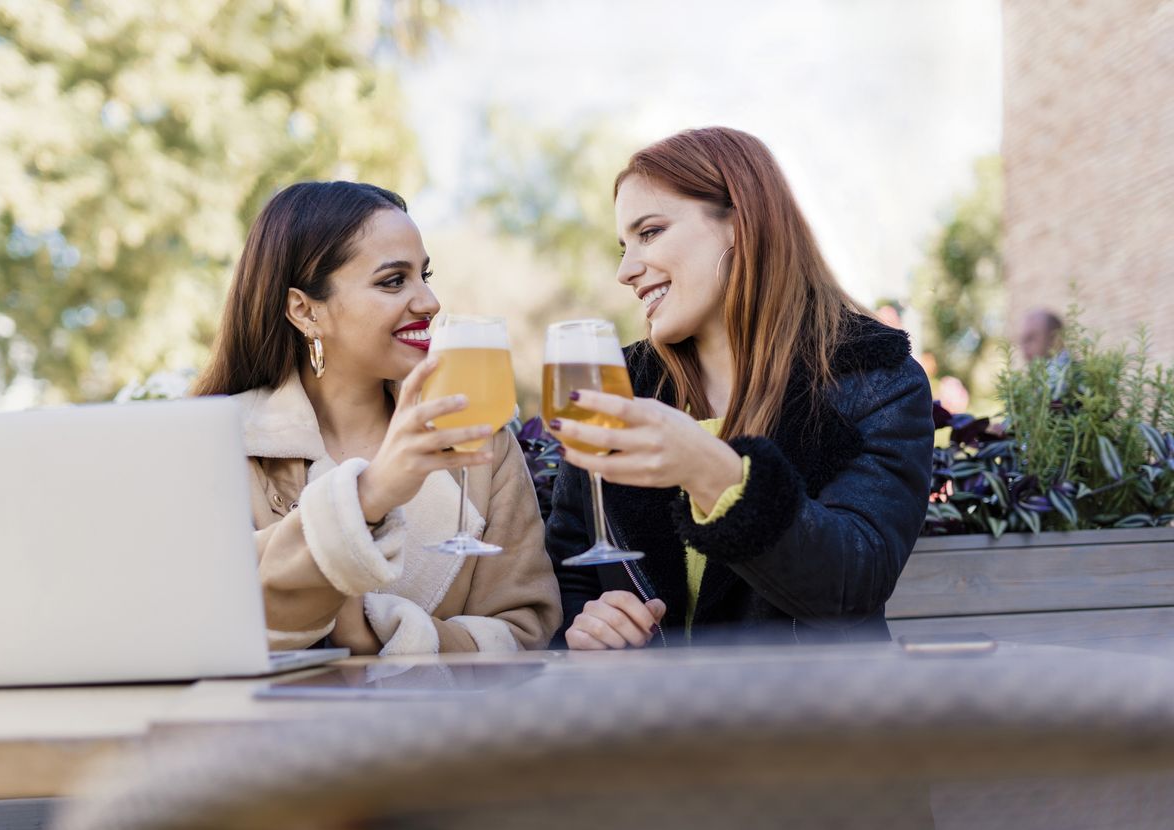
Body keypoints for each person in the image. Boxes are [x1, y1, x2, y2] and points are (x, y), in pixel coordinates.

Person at [546, 128, 934, 649]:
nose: (625, 270)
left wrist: (710, 471)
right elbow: (571, 573)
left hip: (818, 721)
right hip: (650, 722)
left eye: (651, 232)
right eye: (624, 244)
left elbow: (850, 584)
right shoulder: (622, 386)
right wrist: (587, 632)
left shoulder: (873, 377)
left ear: (741, 223)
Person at [194, 181, 560, 655]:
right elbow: (212, 616)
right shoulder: (220, 445)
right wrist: (368, 497)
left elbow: (526, 631)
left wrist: (381, 634)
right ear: (305, 311)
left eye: (425, 276)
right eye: (393, 281)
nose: (429, 302)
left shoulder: (482, 442)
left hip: (450, 729)